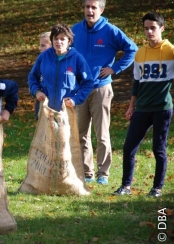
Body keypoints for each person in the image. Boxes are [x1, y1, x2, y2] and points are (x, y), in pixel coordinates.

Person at [71, 0, 138, 185]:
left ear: (101, 9)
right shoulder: (75, 30)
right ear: (83, 8)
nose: (90, 11)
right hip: (79, 90)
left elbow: (132, 49)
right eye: (87, 7)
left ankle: (103, 174)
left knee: (101, 133)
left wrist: (115, 68)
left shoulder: (110, 31)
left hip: (101, 87)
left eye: (94, 7)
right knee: (80, 134)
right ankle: (87, 172)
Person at [113, 12, 174, 197]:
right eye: (146, 28)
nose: (149, 31)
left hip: (162, 108)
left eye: (153, 28)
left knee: (159, 149)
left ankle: (157, 188)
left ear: (162, 28)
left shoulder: (171, 51)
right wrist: (131, 106)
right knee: (129, 147)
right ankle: (126, 186)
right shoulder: (140, 53)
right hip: (142, 108)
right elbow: (137, 83)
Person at [28, 23, 94, 113]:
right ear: (52, 40)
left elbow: (88, 83)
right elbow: (32, 77)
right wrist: (36, 91)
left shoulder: (77, 58)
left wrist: (75, 99)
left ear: (69, 41)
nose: (58, 42)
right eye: (56, 39)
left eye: (62, 39)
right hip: (46, 109)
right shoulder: (44, 57)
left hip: (67, 110)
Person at [34, 31, 52, 119]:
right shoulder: (41, 60)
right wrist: (37, 91)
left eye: (43, 45)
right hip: (42, 100)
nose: (39, 48)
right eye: (40, 45)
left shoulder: (67, 60)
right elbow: (32, 78)